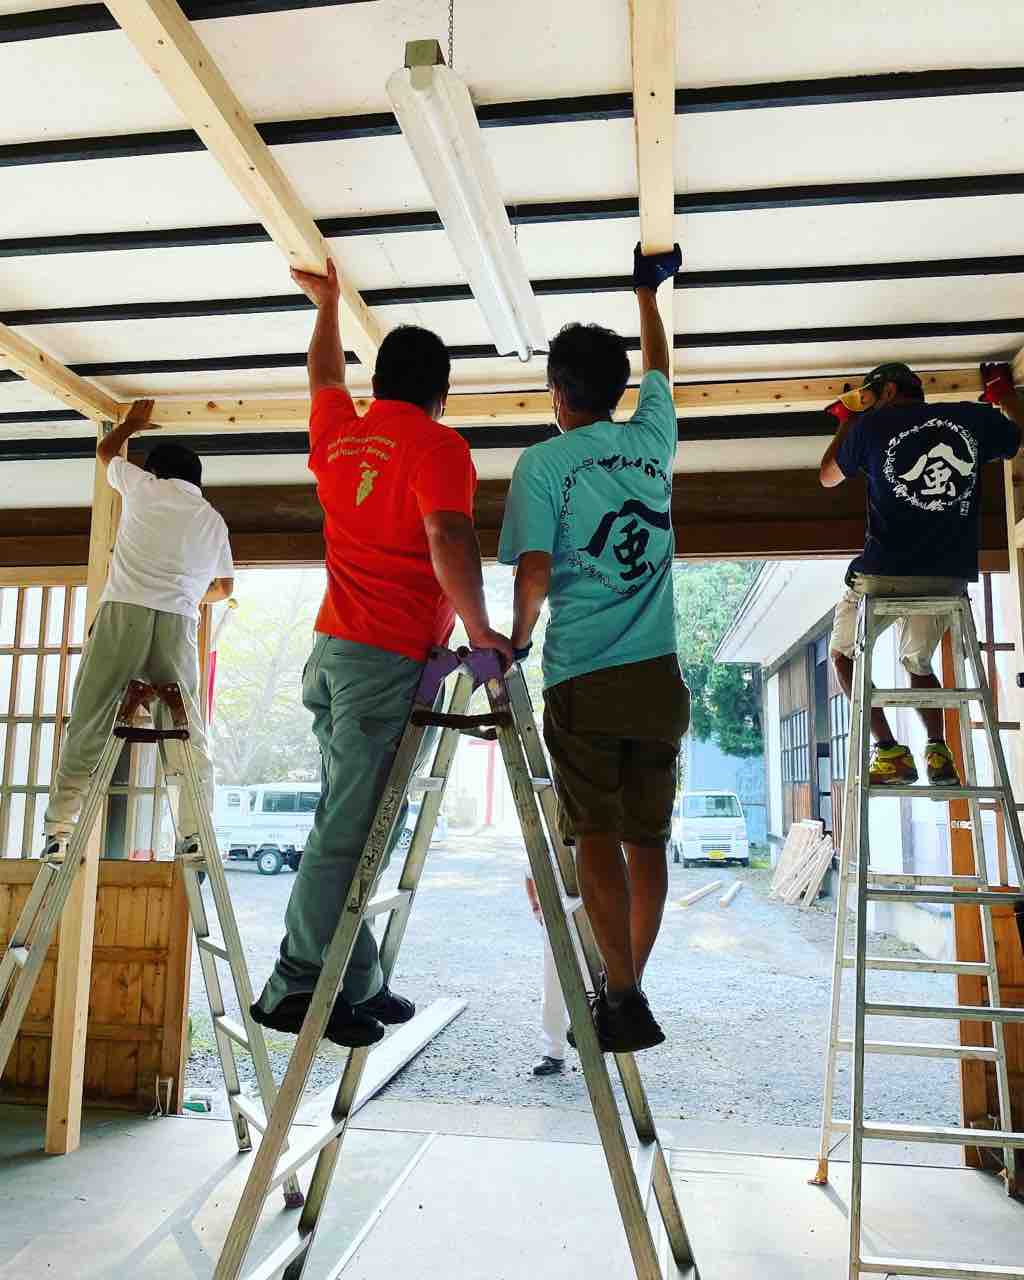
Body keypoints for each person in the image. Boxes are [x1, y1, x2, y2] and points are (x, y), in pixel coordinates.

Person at [252, 259, 512, 1049]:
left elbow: (323, 378)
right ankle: (295, 986)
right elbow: (448, 533)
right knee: (350, 829)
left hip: (333, 650)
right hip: (383, 658)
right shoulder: (438, 445)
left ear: (381, 382)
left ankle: (357, 979)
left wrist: (329, 305)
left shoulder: (341, 432)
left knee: (353, 820)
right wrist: (482, 630)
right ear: (442, 393)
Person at [498, 246, 689, 1054]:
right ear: (616, 390)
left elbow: (536, 571)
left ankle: (622, 991)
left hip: (585, 679)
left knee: (598, 838)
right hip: (660, 679)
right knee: (648, 841)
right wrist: (648, 296)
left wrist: (515, 643)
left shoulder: (543, 464)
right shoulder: (653, 437)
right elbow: (661, 372)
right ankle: (628, 992)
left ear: (557, 395)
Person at [43, 400, 233, 856]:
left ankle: (60, 831)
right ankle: (194, 834)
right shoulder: (212, 519)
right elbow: (224, 588)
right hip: (178, 624)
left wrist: (129, 423)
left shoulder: (145, 488)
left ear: (157, 472)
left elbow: (106, 453)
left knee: (91, 717)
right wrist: (185, 592)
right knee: (185, 729)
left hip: (124, 613)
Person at [821, 360, 1024, 785]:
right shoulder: (971, 419)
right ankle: (938, 752)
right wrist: (1003, 393)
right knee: (916, 660)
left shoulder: (870, 427)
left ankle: (890, 752)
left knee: (842, 655)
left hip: (883, 574)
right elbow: (1018, 435)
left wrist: (848, 421)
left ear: (889, 391)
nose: (869, 405)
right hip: (947, 577)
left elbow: (828, 477)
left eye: (871, 397)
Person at [524, 873, 568, 1075]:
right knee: (553, 990)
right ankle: (553, 1053)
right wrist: (536, 908)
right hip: (554, 919)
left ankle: (598, 1049)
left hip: (589, 914)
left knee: (593, 985)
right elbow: (529, 873)